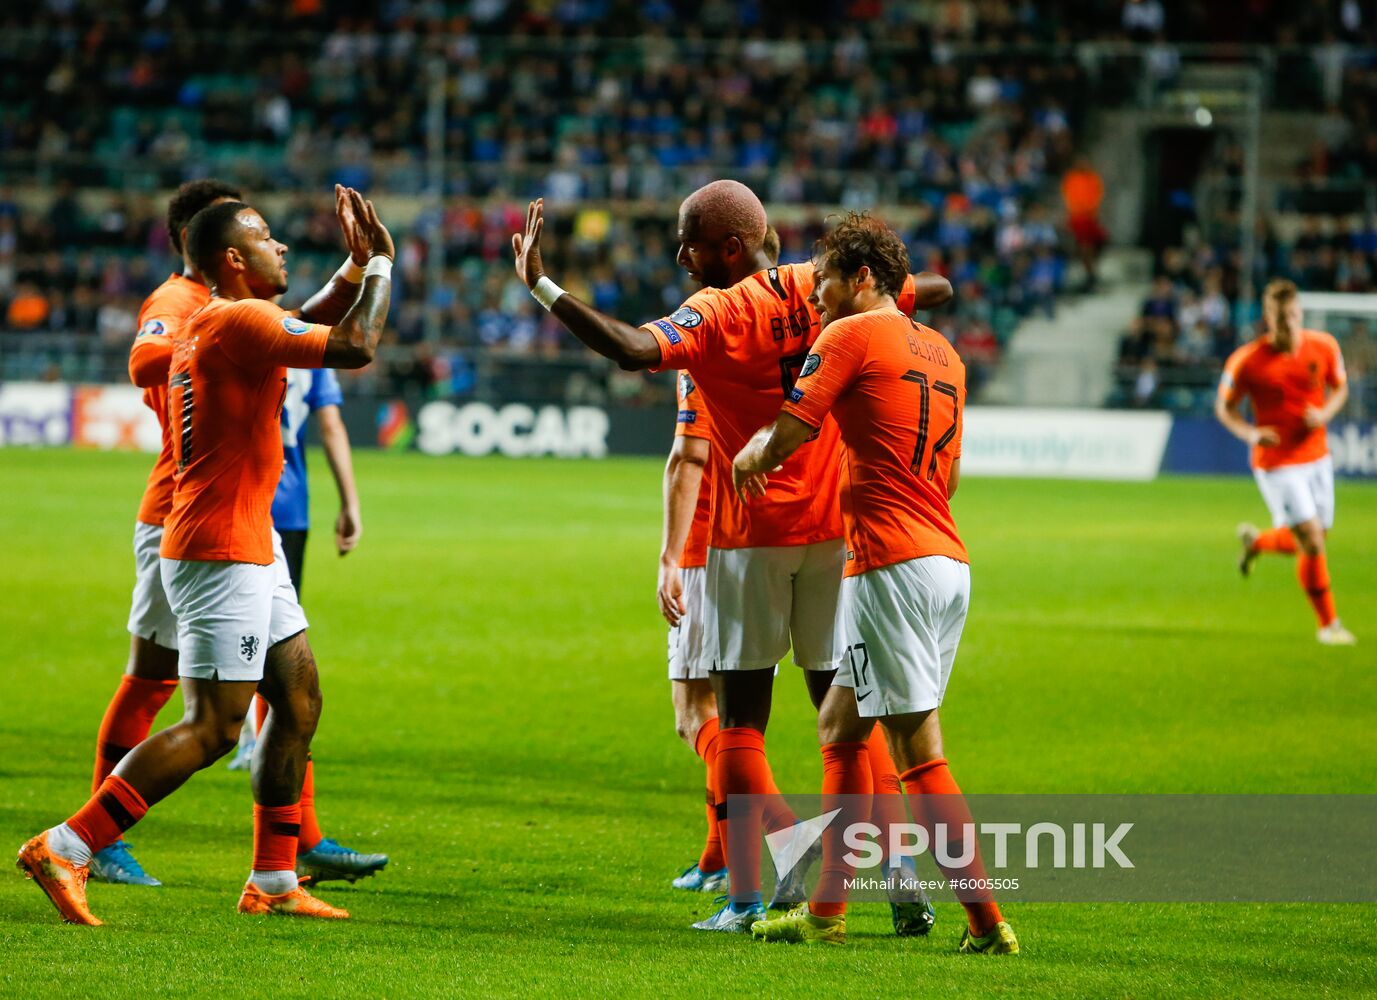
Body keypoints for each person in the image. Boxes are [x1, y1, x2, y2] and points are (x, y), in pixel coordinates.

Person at [512, 184, 951, 933]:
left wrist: (543, 285)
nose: (679, 257)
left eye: (688, 244)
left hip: (747, 536)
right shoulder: (824, 285)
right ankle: (899, 867)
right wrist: (904, 294)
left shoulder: (717, 312)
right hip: (834, 534)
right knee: (843, 713)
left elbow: (629, 349)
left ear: (727, 247)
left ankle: (750, 892)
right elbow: (930, 288)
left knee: (739, 720)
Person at [17, 190, 395, 925]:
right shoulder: (229, 316)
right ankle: (69, 843)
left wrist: (351, 269)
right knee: (214, 726)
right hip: (222, 548)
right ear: (231, 259)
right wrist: (381, 265)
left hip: (243, 538)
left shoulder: (221, 318)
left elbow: (309, 322)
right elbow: (355, 347)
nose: (281, 247)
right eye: (266, 238)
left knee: (298, 698)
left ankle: (274, 879)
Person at [735, 212, 1017, 954]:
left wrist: (749, 459)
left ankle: (986, 924)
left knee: (917, 750)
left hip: (890, 566)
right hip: (943, 561)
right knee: (839, 724)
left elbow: (793, 427)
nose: (815, 295)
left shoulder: (850, 334)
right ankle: (827, 913)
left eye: (824, 279)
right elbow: (948, 476)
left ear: (863, 278)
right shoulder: (947, 354)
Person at [663, 229, 781, 896]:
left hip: (709, 540)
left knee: (697, 715)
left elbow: (690, 456)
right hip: (762, 535)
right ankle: (715, 856)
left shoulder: (705, 344)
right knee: (723, 710)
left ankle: (786, 831)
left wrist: (670, 555)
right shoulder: (775, 329)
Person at [1216, 279, 1355, 645]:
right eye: (1281, 318)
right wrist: (1249, 433)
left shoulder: (1324, 347)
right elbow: (1224, 407)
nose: (1289, 324)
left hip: (1317, 456)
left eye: (1293, 315)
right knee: (1310, 540)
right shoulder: (1247, 361)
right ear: (1268, 318)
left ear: (1301, 313)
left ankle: (1257, 543)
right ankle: (1328, 625)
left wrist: (1324, 413)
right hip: (1276, 461)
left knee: (1313, 539)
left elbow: (1341, 387)